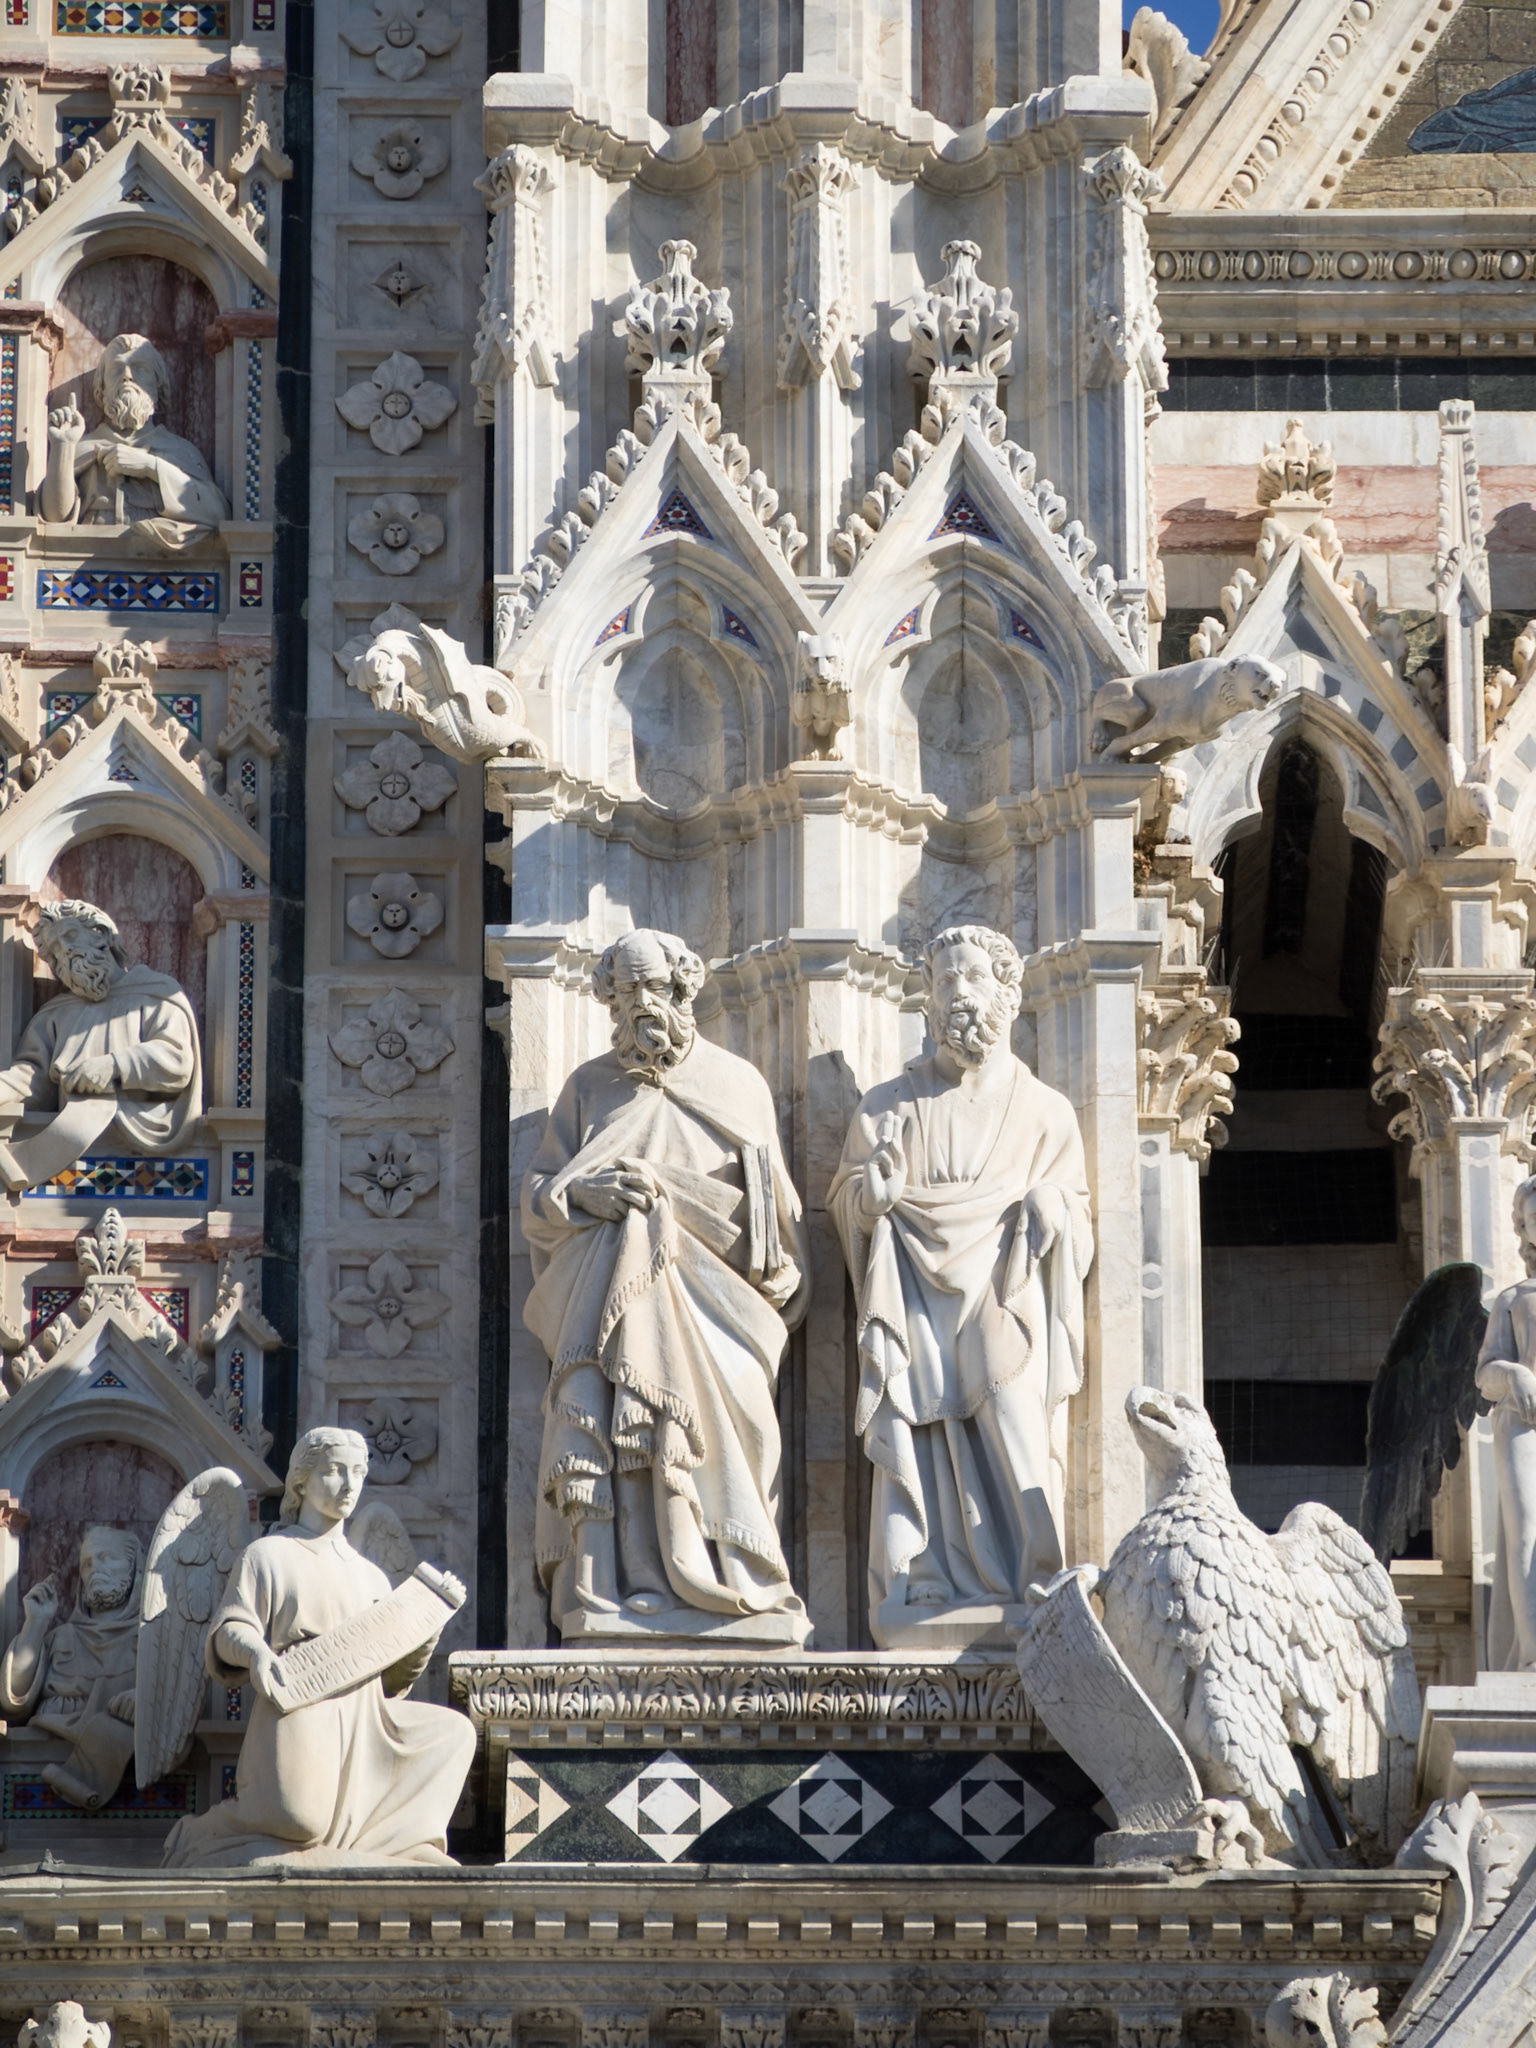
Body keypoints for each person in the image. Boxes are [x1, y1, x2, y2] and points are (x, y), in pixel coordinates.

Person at [523, 927, 811, 1642]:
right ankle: (613, 1586)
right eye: (622, 995)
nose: (637, 1006)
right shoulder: (590, 1088)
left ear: (685, 991)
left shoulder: (736, 1084)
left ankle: (732, 1576)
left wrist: (742, 1237)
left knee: (731, 1419)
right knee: (614, 1428)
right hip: (607, 1302)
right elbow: (537, 1192)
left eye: (652, 989)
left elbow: (779, 1217)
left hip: (721, 1308)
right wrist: (583, 1194)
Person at [829, 923, 1094, 1647]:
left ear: (1009, 994)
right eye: (945, 983)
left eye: (973, 979)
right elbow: (849, 1201)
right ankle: (929, 1576)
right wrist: (871, 1199)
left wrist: (1052, 1208)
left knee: (1012, 1414)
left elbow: (1074, 1208)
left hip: (1004, 1287)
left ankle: (1031, 1573)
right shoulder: (889, 1105)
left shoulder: (1045, 1111)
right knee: (924, 1429)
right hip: (914, 1292)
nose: (958, 995)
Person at [162, 1427, 474, 1868]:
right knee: (300, 1820)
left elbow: (391, 1680)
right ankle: (205, 1833)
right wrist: (256, 1654)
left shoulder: (371, 1577)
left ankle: (404, 1840)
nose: (349, 1485)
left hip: (366, 1714)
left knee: (454, 1733)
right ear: (302, 1481)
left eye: (359, 1473)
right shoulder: (269, 1554)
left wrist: (425, 1631)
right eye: (334, 1472)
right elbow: (231, 1627)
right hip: (300, 1702)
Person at [0, 898, 201, 1192]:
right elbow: (31, 1079)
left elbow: (177, 1059)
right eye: (55, 949)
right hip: (66, 1169)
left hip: (163, 1172)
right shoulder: (55, 1014)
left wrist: (113, 1066)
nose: (65, 950)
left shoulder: (158, 994)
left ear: (102, 933)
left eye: (69, 936)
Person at [41, 333, 226, 551]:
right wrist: (64, 446)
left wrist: (151, 467)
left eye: (140, 369)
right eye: (117, 369)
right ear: (101, 388)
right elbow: (53, 517)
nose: (127, 376)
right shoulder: (83, 448)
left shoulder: (181, 451)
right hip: (83, 576)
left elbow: (217, 515)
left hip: (166, 576)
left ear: (157, 385)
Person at [0, 1526, 142, 1809]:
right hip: (34, 1767)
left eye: (105, 1557)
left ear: (134, 1567)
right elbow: (13, 1700)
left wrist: (146, 1700)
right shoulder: (61, 1638)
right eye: (87, 1563)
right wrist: (36, 1623)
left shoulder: (152, 1643)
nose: (94, 1569)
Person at [1476, 1176, 1536, 1669]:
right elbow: (1485, 1375)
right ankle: (1534, 1650)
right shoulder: (1514, 1299)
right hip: (1524, 1424)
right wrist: (1513, 1373)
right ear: (1524, 1228)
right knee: (1526, 1531)